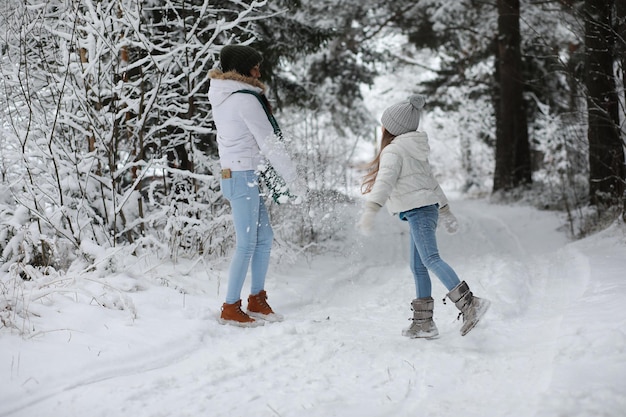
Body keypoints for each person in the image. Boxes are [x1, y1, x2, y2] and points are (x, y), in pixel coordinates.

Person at [358, 94, 490, 338]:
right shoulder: (414, 150)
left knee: (430, 259)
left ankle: (470, 304)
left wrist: (370, 209)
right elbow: (430, 181)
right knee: (418, 265)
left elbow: (385, 182)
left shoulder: (394, 151)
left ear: (391, 127)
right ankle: (424, 324)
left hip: (419, 211)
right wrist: (446, 210)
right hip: (424, 209)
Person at [208, 44, 304, 327]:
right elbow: (270, 145)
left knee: (263, 239)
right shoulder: (243, 100)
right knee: (247, 244)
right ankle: (230, 306)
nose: (259, 70)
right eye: (254, 65)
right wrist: (293, 180)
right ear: (242, 69)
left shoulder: (229, 95)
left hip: (243, 174)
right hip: (241, 175)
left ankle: (256, 300)